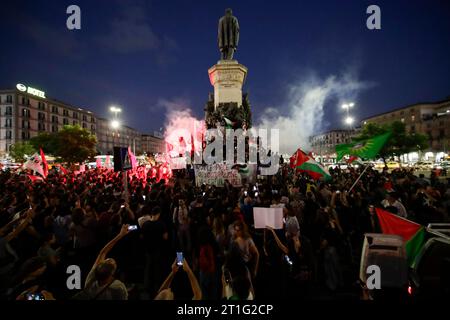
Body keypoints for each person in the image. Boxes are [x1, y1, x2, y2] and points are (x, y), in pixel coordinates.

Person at [76, 225, 130, 300]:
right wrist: (120, 235)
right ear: (112, 273)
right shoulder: (119, 287)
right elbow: (103, 253)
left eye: (106, 260)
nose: (108, 258)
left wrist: (120, 235)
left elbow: (103, 253)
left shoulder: (90, 282)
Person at [141, 205, 168, 296]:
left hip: (148, 249)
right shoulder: (161, 224)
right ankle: (158, 288)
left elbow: (142, 236)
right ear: (158, 214)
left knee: (148, 267)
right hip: (158, 249)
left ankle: (147, 287)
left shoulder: (145, 224)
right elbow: (165, 237)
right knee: (157, 268)